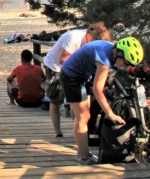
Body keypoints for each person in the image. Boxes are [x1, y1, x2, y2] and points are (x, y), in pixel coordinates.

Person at [60, 37, 145, 165]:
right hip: (71, 76)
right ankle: (84, 158)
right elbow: (97, 90)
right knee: (83, 117)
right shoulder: (104, 60)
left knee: (82, 116)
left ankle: (82, 150)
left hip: (83, 74)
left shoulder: (111, 49)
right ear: (120, 53)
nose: (125, 66)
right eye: (126, 63)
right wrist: (110, 113)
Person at [43, 22, 110, 138]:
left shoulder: (93, 41)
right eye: (93, 40)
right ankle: (58, 132)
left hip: (77, 70)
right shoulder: (74, 38)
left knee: (78, 101)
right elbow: (63, 59)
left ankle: (78, 132)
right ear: (89, 34)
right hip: (55, 66)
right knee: (56, 100)